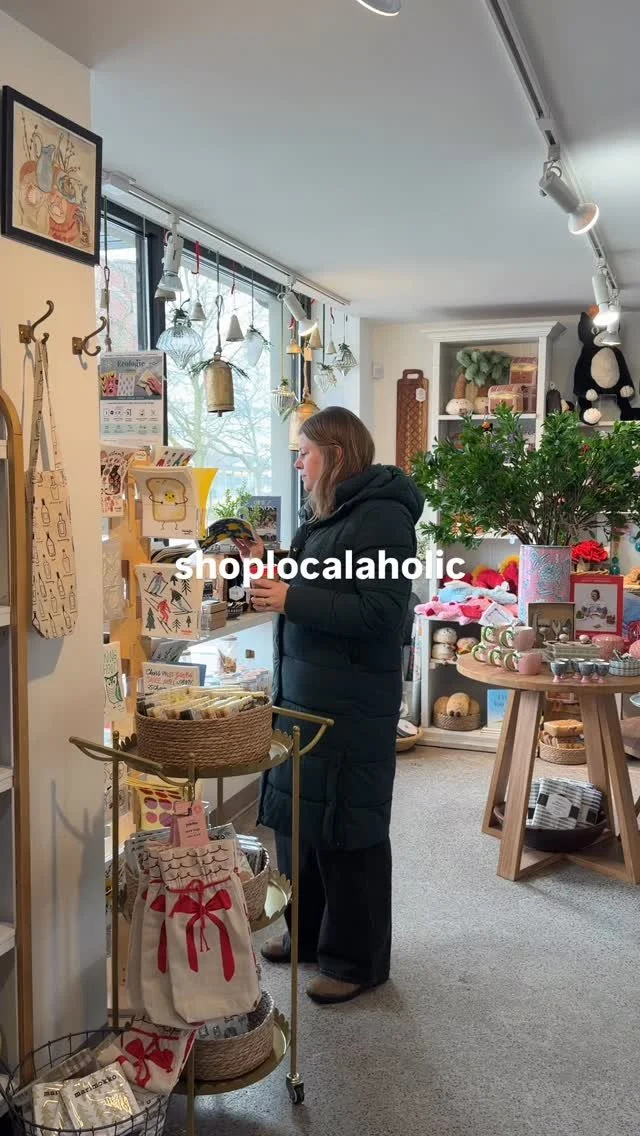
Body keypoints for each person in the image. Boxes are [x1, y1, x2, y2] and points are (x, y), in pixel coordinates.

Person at [234, 406, 424, 1004]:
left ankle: (357, 962)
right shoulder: (329, 514)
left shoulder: (383, 517)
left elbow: (383, 613)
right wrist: (277, 572)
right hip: (307, 693)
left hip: (350, 700)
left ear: (336, 455)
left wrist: (292, 598)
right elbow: (327, 582)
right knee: (302, 824)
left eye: (306, 453)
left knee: (349, 827)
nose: (298, 463)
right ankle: (309, 937)